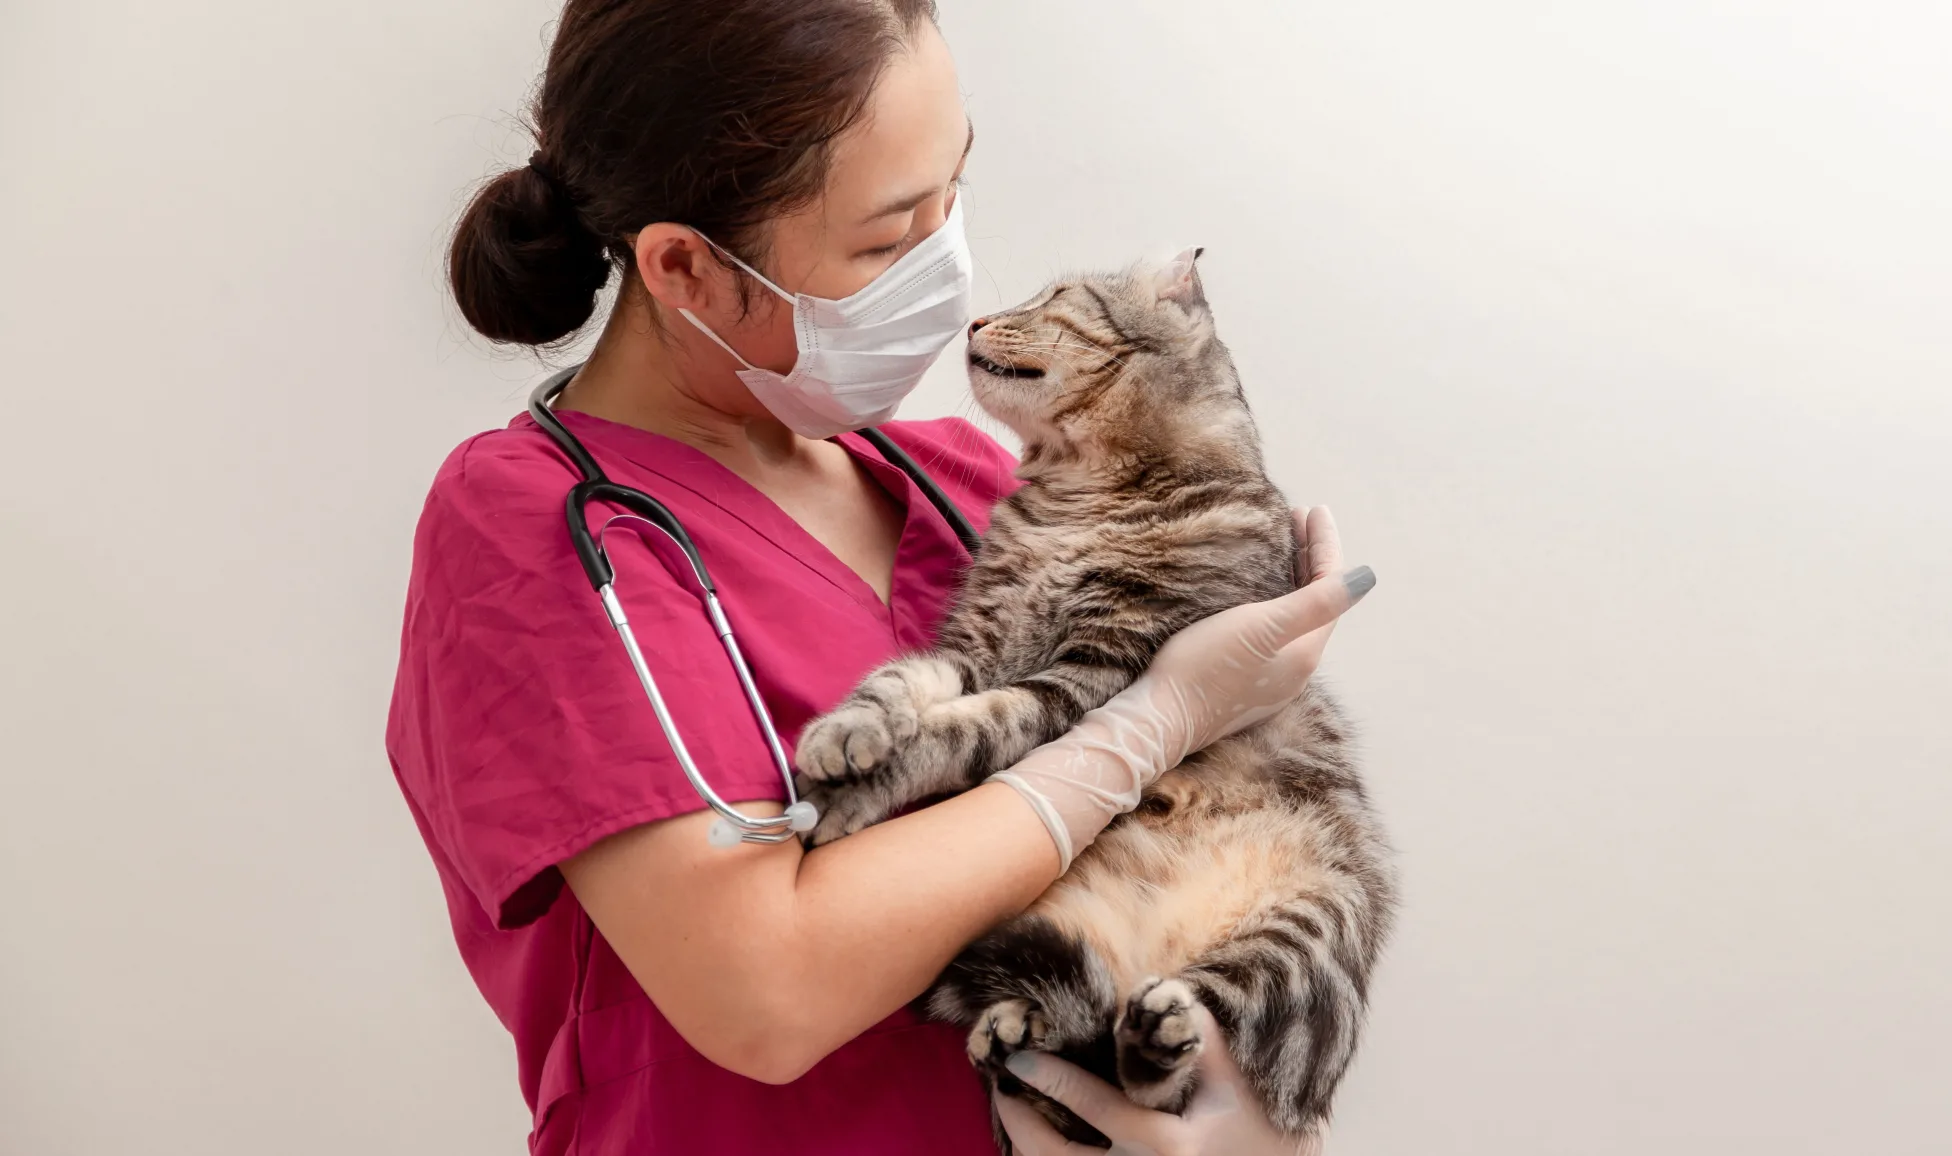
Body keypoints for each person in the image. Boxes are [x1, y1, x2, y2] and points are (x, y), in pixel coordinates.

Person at [386, 2, 1370, 1153]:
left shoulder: (964, 484)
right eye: (887, 238)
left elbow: (1192, 877)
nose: (949, 270)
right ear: (685, 267)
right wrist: (1157, 719)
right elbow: (765, 993)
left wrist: (1247, 1126)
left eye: (952, 192)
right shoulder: (537, 526)